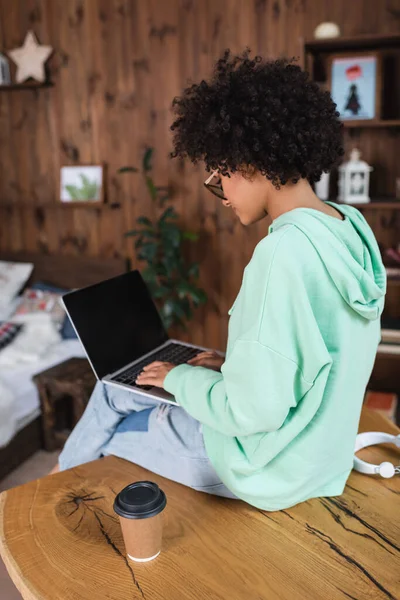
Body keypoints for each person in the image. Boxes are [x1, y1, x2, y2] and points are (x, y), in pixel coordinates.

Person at [55, 50, 386, 511]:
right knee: (125, 390)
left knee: (114, 400)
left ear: (248, 161)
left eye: (220, 174)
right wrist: (229, 368)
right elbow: (313, 361)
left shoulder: (281, 254)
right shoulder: (346, 230)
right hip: (317, 460)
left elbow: (252, 412)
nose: (222, 194)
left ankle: (50, 494)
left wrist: (180, 377)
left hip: (258, 469)